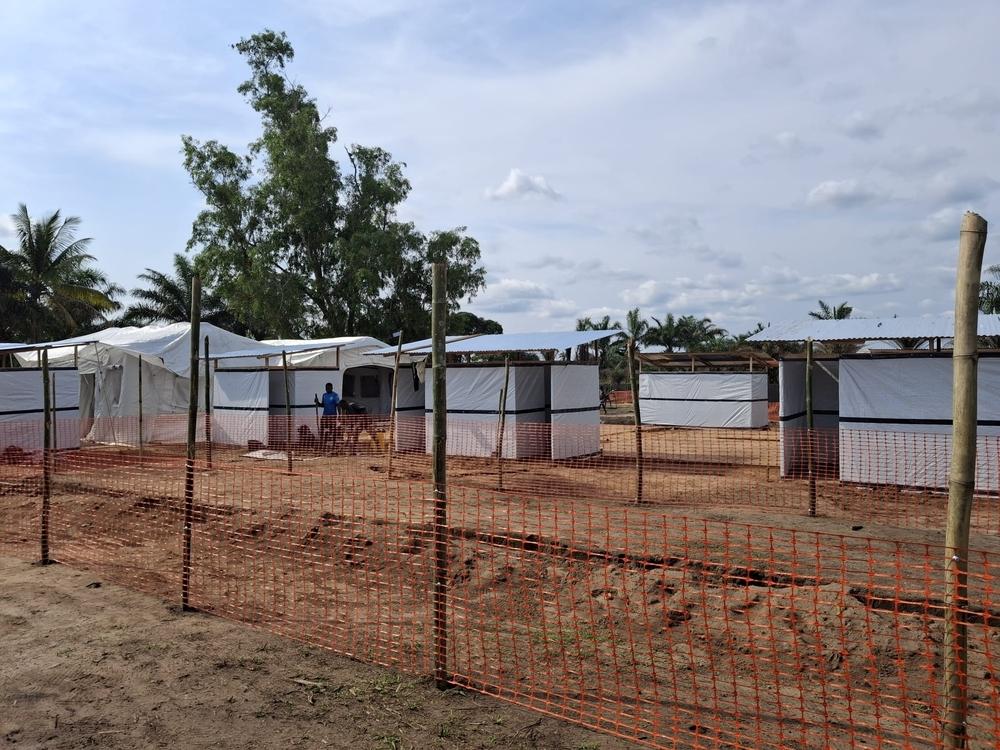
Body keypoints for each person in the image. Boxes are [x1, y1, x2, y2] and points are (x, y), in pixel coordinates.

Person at [314, 383, 341, 448]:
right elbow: (323, 405)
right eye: (326, 388)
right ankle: (322, 444)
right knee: (322, 429)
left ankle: (334, 444)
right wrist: (317, 402)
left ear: (332, 388)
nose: (327, 389)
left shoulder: (335, 395)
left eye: (328, 388)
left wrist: (340, 415)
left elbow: (338, 406)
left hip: (332, 416)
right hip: (325, 415)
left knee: (333, 430)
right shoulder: (324, 395)